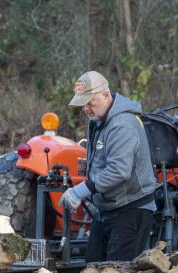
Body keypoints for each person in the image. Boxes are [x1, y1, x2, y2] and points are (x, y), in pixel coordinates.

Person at [60, 70, 158, 261]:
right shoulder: (99, 121)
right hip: (109, 208)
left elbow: (118, 171)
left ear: (106, 95)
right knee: (93, 267)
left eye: (90, 102)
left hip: (131, 209)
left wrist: (80, 191)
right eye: (83, 104)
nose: (86, 109)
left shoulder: (121, 124)